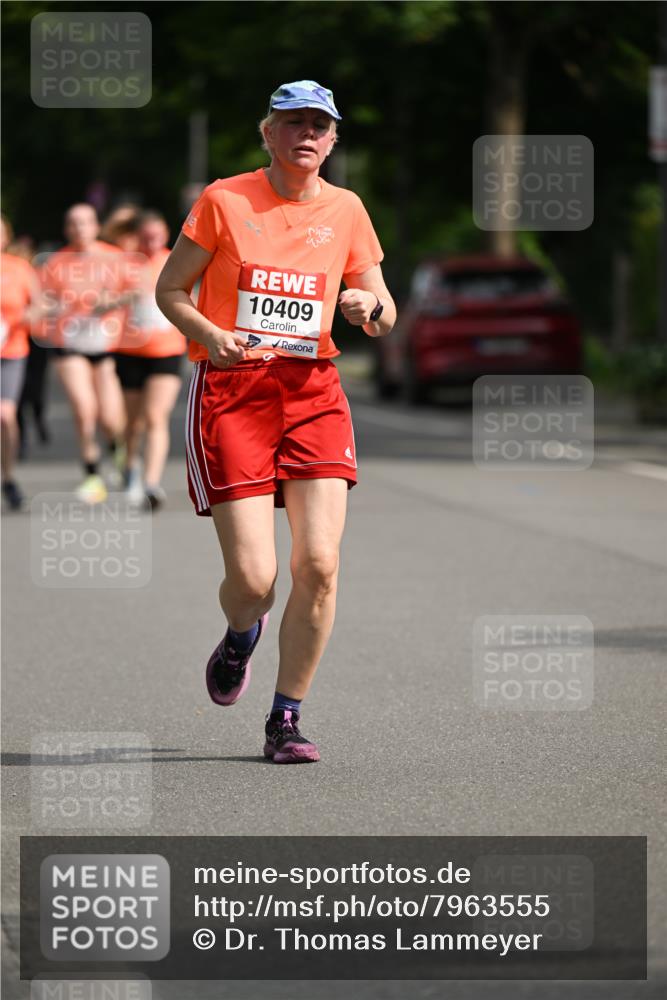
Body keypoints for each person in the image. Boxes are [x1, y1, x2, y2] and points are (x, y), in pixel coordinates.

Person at [156, 80, 396, 763]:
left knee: (319, 564)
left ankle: (285, 718)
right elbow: (169, 290)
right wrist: (212, 332)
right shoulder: (224, 199)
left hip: (314, 391)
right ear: (268, 133)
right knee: (257, 581)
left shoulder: (347, 209)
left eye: (320, 125)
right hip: (232, 393)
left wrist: (366, 308)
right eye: (293, 123)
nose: (307, 136)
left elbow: (384, 307)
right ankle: (240, 635)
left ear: (334, 139)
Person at [39, 203, 128, 503]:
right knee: (83, 408)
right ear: (67, 229)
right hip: (69, 343)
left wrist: (112, 300)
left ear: (95, 226)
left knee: (109, 416)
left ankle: (117, 447)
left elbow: (138, 291)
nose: (79, 228)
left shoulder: (114, 258)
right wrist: (52, 307)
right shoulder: (56, 262)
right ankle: (92, 475)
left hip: (105, 344)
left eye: (85, 222)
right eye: (73, 223)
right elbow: (44, 300)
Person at [114, 211, 187, 508]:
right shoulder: (125, 263)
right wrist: (126, 297)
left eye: (157, 237)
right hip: (130, 352)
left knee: (156, 416)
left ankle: (151, 484)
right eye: (146, 237)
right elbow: (102, 300)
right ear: (137, 236)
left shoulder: (176, 259)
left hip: (167, 350)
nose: (152, 243)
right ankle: (130, 469)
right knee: (133, 423)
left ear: (166, 234)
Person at [1, 215, 40, 509]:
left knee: (5, 415)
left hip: (11, 352)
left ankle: (9, 477)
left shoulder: (19, 268)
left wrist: (31, 315)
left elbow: (40, 303)